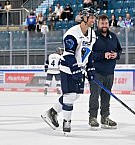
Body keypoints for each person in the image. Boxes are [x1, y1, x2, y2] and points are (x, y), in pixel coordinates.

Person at [41, 6, 98, 134]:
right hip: (68, 69)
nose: (94, 20)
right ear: (84, 17)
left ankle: (52, 112)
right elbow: (68, 55)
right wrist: (75, 68)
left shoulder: (92, 35)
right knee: (69, 96)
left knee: (76, 96)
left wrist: (90, 70)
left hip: (80, 70)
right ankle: (66, 124)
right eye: (92, 17)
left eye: (94, 17)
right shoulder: (72, 34)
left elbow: (89, 54)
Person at [88, 14, 122, 129]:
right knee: (94, 96)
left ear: (109, 24)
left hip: (110, 72)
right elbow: (89, 54)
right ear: (98, 24)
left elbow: (119, 50)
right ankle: (93, 117)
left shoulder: (113, 36)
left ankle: (105, 118)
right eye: (102, 23)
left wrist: (116, 54)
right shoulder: (92, 36)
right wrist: (103, 55)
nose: (104, 25)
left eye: (106, 23)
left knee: (106, 96)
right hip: (96, 72)